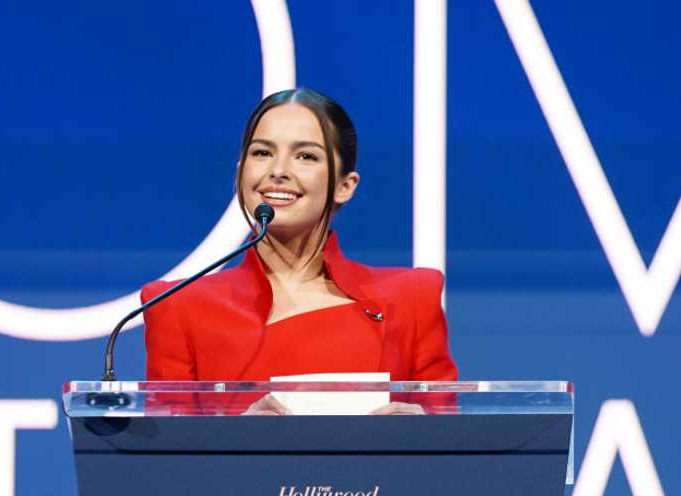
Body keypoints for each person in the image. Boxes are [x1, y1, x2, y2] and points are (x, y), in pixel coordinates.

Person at [141, 88, 456, 414]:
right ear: (239, 173)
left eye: (306, 156)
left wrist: (423, 433)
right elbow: (168, 455)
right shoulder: (177, 307)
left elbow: (452, 446)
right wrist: (233, 440)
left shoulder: (410, 301)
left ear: (345, 186)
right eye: (262, 153)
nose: (278, 170)